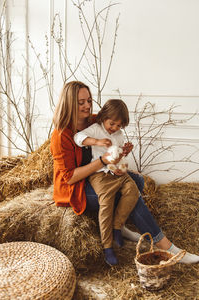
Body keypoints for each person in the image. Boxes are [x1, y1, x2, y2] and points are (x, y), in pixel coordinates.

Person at [50, 80, 199, 266]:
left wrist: (120, 153)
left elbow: (112, 144)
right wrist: (103, 161)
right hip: (74, 187)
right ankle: (165, 245)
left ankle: (118, 224)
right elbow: (70, 177)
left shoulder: (96, 120)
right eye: (81, 102)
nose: (87, 105)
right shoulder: (61, 134)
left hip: (97, 174)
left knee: (137, 181)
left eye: (89, 100)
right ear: (69, 103)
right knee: (128, 193)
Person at [74, 99, 140, 265]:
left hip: (116, 169)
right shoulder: (96, 129)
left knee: (133, 190)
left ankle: (117, 227)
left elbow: (117, 156)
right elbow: (78, 137)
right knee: (106, 204)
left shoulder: (118, 134)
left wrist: (124, 151)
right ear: (104, 117)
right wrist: (96, 141)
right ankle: (107, 246)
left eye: (119, 126)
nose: (115, 128)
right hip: (100, 173)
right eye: (112, 124)